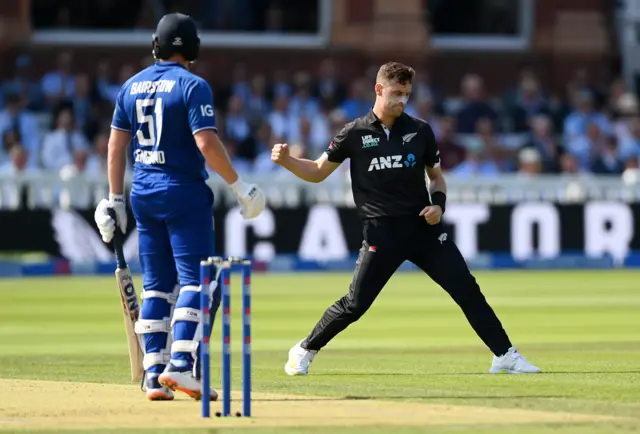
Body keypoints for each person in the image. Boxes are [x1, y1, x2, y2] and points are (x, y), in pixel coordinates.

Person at [271, 62, 541, 376]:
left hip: (423, 230)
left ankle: (504, 355)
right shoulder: (354, 133)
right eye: (397, 93)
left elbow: (437, 179)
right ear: (378, 89)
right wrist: (288, 161)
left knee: (466, 289)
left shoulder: (420, 131)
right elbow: (317, 172)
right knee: (356, 305)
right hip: (382, 234)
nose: (402, 101)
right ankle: (304, 348)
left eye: (407, 95)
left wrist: (438, 206)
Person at [93, 13, 266, 401]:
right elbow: (205, 143)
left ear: (156, 46)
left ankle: (155, 372)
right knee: (198, 281)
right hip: (183, 191)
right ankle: (182, 367)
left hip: (143, 192)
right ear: (192, 49)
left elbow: (115, 146)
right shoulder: (193, 85)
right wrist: (240, 187)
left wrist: (115, 198)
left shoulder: (130, 86)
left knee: (156, 287)